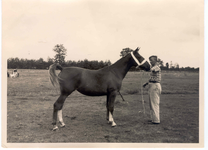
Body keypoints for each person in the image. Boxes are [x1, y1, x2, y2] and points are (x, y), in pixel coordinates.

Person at [143, 55, 162, 124]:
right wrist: (146, 83)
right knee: (152, 103)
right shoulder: (153, 67)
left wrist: (144, 67)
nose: (150, 62)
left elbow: (153, 70)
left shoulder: (157, 67)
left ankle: (156, 120)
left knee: (154, 103)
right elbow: (152, 77)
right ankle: (154, 119)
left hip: (155, 86)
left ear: (155, 60)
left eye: (151, 60)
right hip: (152, 85)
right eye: (150, 60)